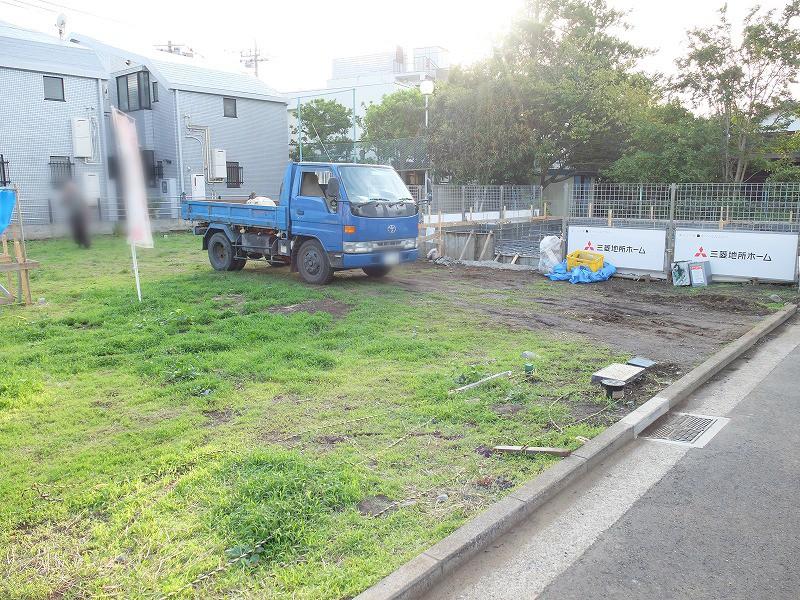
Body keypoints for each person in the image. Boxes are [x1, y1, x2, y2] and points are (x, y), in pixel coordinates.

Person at [60, 180, 90, 248]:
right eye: (69, 187)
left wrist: (86, 213)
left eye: (71, 187)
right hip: (72, 215)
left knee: (82, 229)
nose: (70, 188)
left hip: (80, 214)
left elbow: (84, 204)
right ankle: (79, 242)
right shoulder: (67, 195)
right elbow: (62, 202)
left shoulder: (79, 194)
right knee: (75, 230)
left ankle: (86, 244)